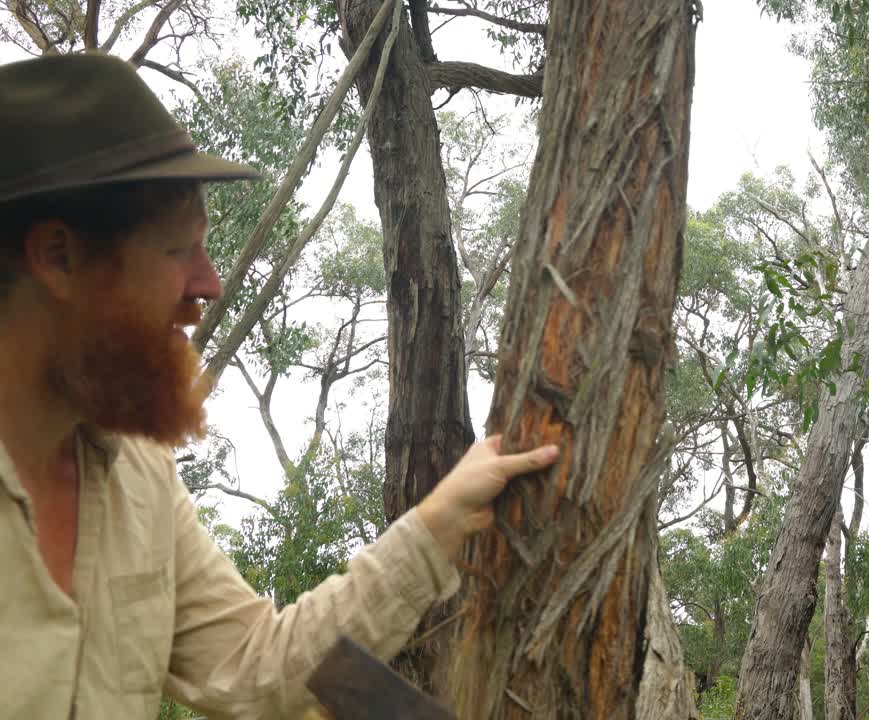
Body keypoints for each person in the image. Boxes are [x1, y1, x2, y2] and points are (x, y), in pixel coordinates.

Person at [0, 52, 558, 720]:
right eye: (179, 251)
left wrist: (441, 519)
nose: (209, 284)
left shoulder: (136, 478)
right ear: (59, 257)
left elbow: (250, 664)